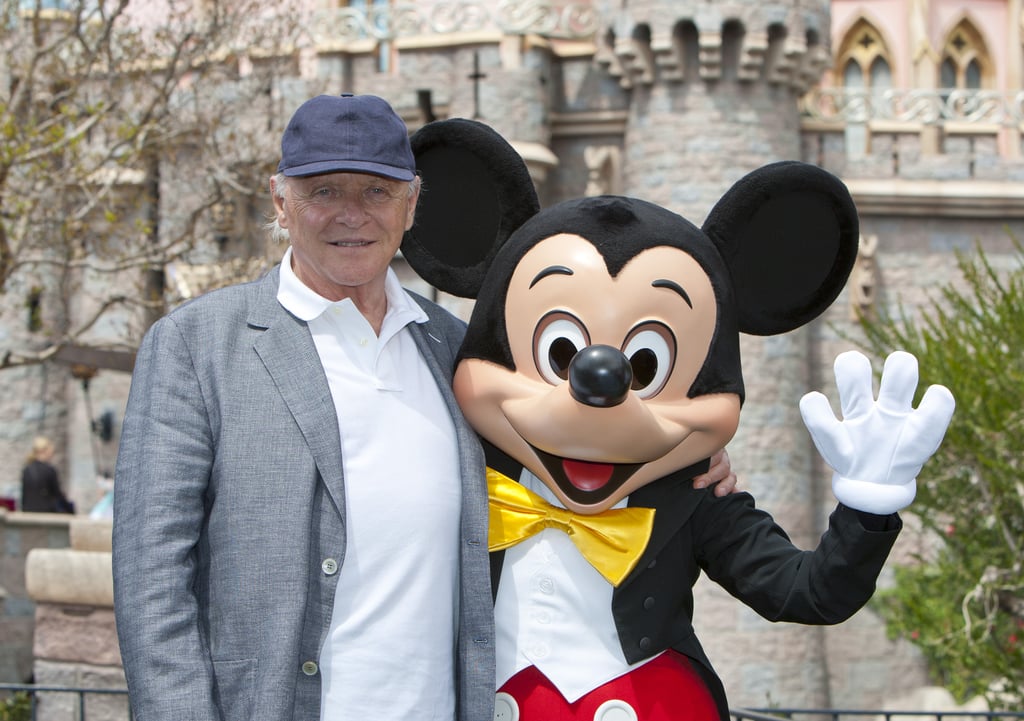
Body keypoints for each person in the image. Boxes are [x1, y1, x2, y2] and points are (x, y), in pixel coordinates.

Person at [111, 93, 738, 721]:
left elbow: (568, 449)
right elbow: (153, 582)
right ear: (281, 201)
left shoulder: (456, 354)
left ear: (411, 204)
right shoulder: (197, 346)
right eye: (322, 191)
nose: (351, 215)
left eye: (376, 192)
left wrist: (689, 459)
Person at [21, 436, 74, 513]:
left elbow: (24, 496)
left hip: (28, 510)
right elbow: (57, 494)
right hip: (46, 511)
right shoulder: (49, 470)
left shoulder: (26, 470)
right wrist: (69, 509)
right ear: (45, 451)